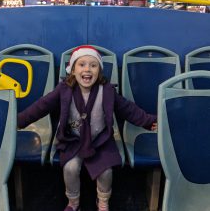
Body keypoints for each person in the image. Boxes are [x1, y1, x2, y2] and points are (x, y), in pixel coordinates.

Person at [18, 45, 157, 211]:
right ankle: (73, 202)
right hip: (73, 140)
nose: (87, 69)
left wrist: (149, 121)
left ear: (99, 70)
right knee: (70, 168)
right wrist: (20, 121)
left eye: (93, 65)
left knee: (106, 172)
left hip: (100, 141)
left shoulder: (107, 91)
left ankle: (103, 202)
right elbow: (42, 106)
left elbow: (128, 109)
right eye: (82, 64)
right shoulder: (64, 90)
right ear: (73, 70)